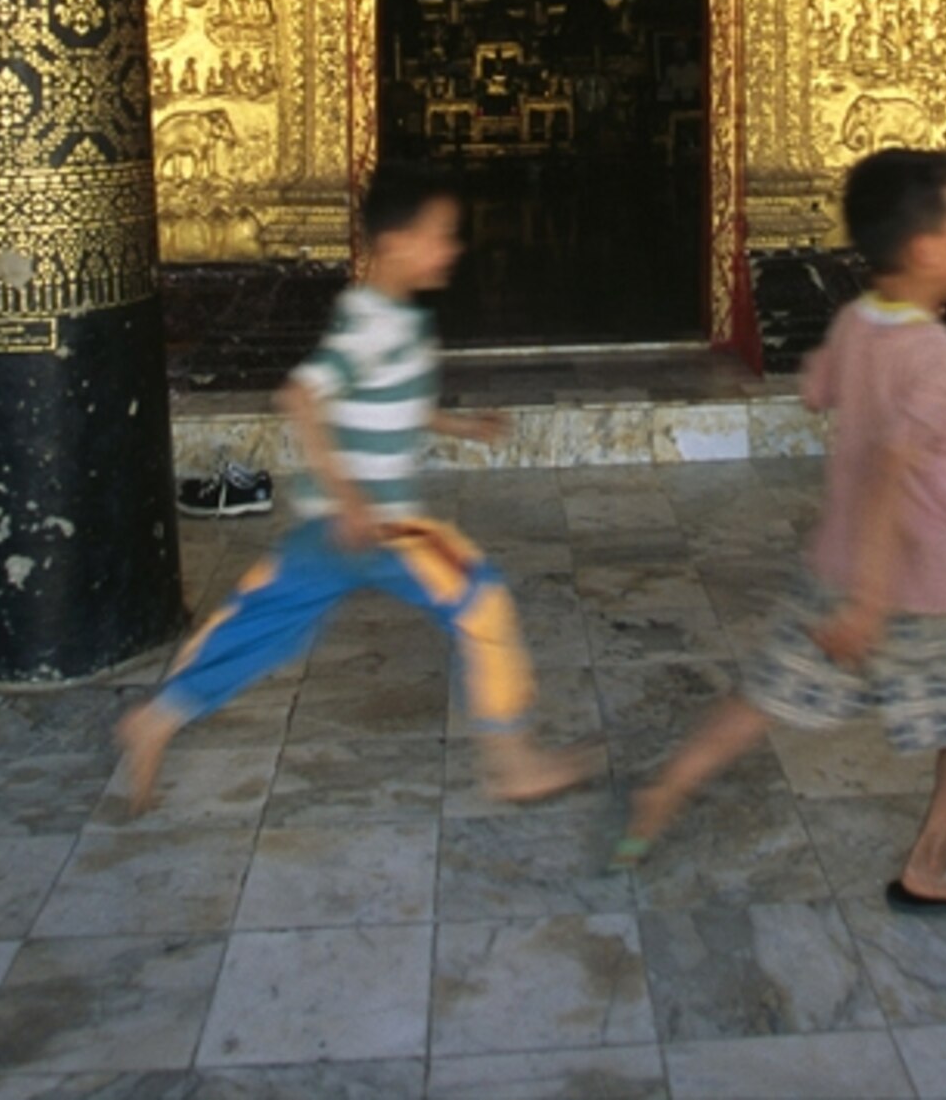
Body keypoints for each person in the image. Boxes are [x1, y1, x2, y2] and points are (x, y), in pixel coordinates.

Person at [612, 147, 946, 909]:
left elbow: (817, 389)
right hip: (925, 587)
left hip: (835, 568)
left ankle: (663, 791)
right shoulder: (936, 357)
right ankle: (932, 863)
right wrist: (873, 601)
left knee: (766, 694)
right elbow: (889, 474)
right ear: (921, 249)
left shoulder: (855, 322)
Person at [114, 164, 596, 812]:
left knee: (262, 627)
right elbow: (301, 396)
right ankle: (511, 763)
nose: (452, 248)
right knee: (481, 601)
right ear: (396, 243)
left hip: (334, 529)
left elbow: (392, 403)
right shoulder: (373, 323)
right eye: (441, 234)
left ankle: (155, 720)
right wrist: (349, 498)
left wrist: (462, 425)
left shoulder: (390, 317)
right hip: (376, 525)